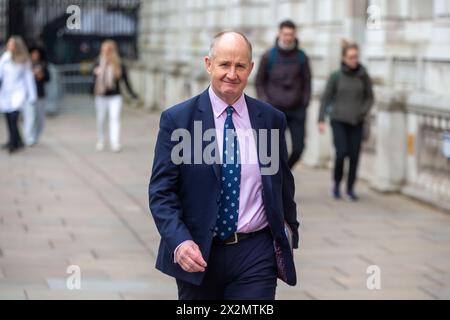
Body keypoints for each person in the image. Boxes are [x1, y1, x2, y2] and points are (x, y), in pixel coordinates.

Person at [148, 31, 299, 300]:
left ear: (251, 69)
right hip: (198, 254)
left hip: (255, 254)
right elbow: (162, 193)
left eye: (240, 65)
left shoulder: (271, 120)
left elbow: (283, 185)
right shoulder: (179, 120)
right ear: (208, 64)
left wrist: (290, 232)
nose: (232, 73)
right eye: (224, 65)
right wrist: (179, 242)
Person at [318, 40, 374, 201]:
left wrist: (362, 112)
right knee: (341, 153)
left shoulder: (363, 76)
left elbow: (369, 98)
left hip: (357, 122)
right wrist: (321, 119)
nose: (354, 60)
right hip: (339, 120)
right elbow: (326, 98)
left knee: (355, 156)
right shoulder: (336, 76)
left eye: (356, 57)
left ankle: (350, 188)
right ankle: (336, 184)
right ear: (343, 58)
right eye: (350, 57)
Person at [255, 19, 312, 169]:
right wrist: (265, 102)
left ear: (295, 35)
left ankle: (284, 172)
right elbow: (259, 81)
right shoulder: (268, 56)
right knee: (279, 151)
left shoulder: (301, 56)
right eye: (285, 34)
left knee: (299, 148)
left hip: (297, 110)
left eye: (291, 34)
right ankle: (279, 182)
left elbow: (307, 81)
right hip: (275, 110)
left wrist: (305, 102)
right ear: (279, 34)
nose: (288, 37)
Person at [92, 40, 138, 152]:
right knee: (101, 119)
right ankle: (101, 139)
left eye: (106, 50)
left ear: (112, 51)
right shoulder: (98, 62)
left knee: (115, 118)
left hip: (115, 96)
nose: (103, 52)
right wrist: (95, 72)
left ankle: (115, 142)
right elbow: (92, 79)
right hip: (101, 96)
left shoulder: (119, 64)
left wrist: (132, 94)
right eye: (102, 50)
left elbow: (125, 81)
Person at [0, 36, 37, 154]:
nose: (8, 46)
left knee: (13, 117)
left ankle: (13, 143)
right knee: (7, 117)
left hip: (18, 92)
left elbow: (28, 78)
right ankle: (16, 140)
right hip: (6, 92)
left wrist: (32, 95)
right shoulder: (5, 57)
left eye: (11, 44)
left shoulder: (24, 60)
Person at [22, 46, 50, 147]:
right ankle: (28, 138)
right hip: (28, 96)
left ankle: (35, 137)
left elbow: (48, 78)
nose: (35, 56)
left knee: (40, 119)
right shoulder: (26, 65)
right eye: (33, 54)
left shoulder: (43, 65)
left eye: (37, 54)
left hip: (40, 95)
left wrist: (41, 75)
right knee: (30, 117)